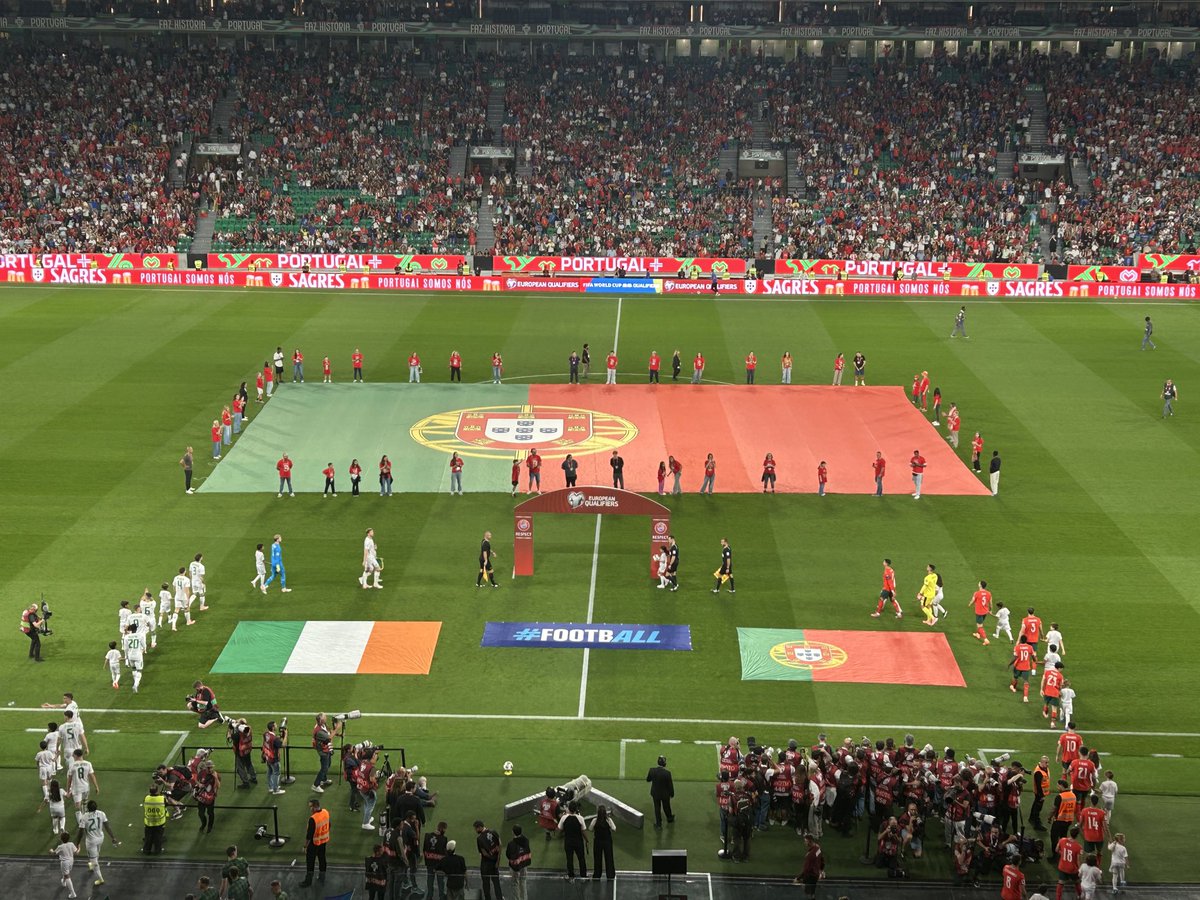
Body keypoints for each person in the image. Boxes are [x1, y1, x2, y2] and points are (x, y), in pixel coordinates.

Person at [75, 798, 118, 885]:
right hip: (100, 838)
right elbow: (107, 826)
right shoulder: (101, 813)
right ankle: (92, 863)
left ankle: (100, 878)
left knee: (94, 859)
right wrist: (113, 837)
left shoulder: (85, 817)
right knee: (96, 854)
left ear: (87, 808)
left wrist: (77, 843)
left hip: (91, 841)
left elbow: (81, 832)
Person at [300, 798, 330, 886]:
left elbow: (309, 835)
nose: (310, 809)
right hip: (323, 841)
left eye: (311, 806)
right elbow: (329, 824)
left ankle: (308, 882)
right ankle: (322, 877)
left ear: (314, 807)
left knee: (310, 862)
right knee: (322, 859)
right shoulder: (325, 812)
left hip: (314, 843)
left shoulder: (313, 819)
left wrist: (305, 846)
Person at [557, 801, 588, 881]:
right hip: (578, 842)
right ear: (576, 809)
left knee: (569, 859)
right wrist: (587, 840)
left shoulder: (564, 818)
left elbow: (559, 829)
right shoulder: (580, 818)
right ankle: (583, 876)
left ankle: (571, 877)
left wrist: (560, 834)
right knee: (581, 859)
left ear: (569, 809)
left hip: (568, 841)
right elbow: (583, 831)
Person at [310, 713, 341, 792]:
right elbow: (329, 738)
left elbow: (329, 731)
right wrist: (337, 728)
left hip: (327, 749)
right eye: (324, 717)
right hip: (323, 751)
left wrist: (338, 734)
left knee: (328, 765)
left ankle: (323, 779)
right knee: (324, 768)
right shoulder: (318, 731)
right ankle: (315, 785)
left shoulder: (323, 725)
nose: (326, 717)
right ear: (321, 720)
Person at [475, 819, 504, 900]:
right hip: (495, 863)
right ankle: (499, 898)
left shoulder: (479, 838)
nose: (476, 830)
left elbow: (483, 853)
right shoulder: (493, 831)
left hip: (486, 864)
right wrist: (497, 860)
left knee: (486, 884)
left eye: (476, 829)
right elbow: (500, 845)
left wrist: (490, 857)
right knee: (496, 883)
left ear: (480, 827)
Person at [646, 755, 675, 830]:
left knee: (657, 808)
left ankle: (658, 824)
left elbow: (648, 780)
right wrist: (672, 793)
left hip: (655, 793)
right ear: (664, 764)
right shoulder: (667, 773)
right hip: (665, 794)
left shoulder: (652, 770)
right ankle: (669, 818)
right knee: (666, 806)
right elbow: (670, 785)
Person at [422, 820, 449, 900]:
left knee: (430, 880)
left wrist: (427, 861)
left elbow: (424, 850)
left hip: (429, 863)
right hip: (439, 864)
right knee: (441, 881)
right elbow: (445, 853)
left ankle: (429, 896)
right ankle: (441, 896)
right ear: (443, 829)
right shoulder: (444, 839)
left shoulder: (427, 836)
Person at [505, 824, 532, 898]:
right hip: (524, 865)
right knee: (523, 882)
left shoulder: (511, 844)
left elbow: (508, 855)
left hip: (515, 867)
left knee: (514, 883)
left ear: (513, 832)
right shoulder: (526, 840)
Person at [590, 806, 615, 881]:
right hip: (607, 841)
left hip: (597, 842)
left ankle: (597, 874)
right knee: (609, 858)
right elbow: (614, 828)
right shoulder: (608, 820)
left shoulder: (595, 820)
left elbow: (590, 829)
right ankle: (610, 875)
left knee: (597, 858)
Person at [53, 832, 80, 899]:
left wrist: (51, 851)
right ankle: (64, 881)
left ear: (61, 839)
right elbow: (77, 853)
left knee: (67, 876)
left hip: (64, 862)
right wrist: (79, 848)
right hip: (71, 861)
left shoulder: (60, 847)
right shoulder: (71, 844)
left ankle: (73, 893)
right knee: (66, 873)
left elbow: (54, 853)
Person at [262, 720, 286, 795]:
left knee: (269, 772)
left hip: (267, 757)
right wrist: (286, 735)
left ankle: (271, 787)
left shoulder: (266, 734)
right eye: (275, 725)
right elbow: (283, 745)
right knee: (276, 773)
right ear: (272, 727)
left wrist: (278, 737)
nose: (276, 726)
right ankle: (276, 790)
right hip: (274, 759)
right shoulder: (275, 739)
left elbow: (270, 740)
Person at [1010, 637, 1036, 702]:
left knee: (1015, 677)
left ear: (1021, 640)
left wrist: (1010, 664)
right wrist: (1035, 661)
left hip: (1018, 666)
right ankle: (1025, 697)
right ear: (1026, 641)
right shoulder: (1030, 647)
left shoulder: (1017, 647)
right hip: (1026, 667)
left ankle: (1013, 687)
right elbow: (1033, 656)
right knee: (1026, 682)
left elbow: (1015, 658)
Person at [971, 580, 993, 645]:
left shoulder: (977, 593)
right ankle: (978, 634)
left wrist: (969, 604)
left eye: (979, 583)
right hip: (985, 611)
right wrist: (991, 610)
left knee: (980, 626)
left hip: (979, 612)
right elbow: (991, 603)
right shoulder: (989, 593)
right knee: (980, 624)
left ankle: (986, 639)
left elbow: (973, 600)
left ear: (980, 585)